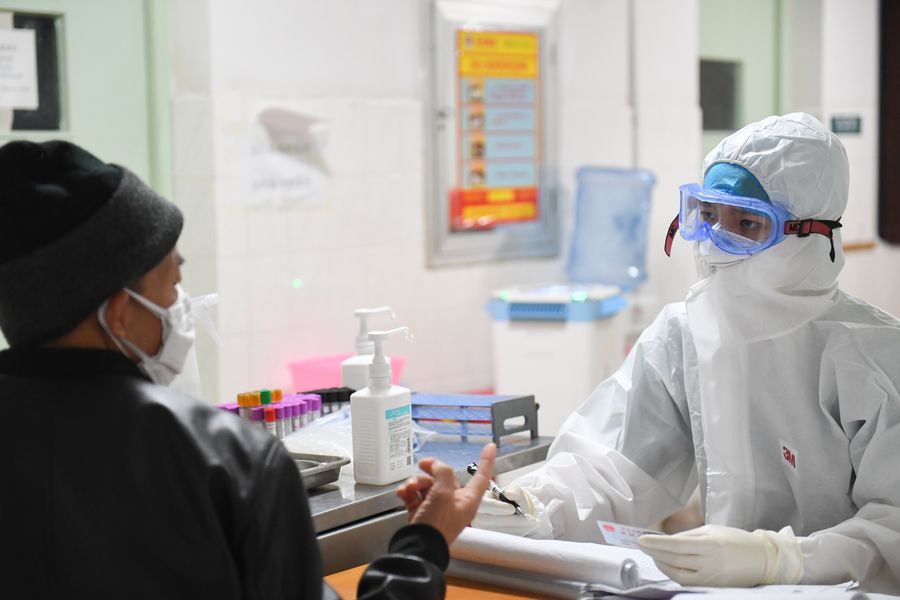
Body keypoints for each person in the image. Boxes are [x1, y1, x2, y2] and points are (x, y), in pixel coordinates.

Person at [0, 140, 494, 599]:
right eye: (172, 284)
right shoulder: (226, 461)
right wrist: (424, 544)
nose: (181, 306)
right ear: (119, 315)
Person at [472, 113, 900, 593]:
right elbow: (616, 466)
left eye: (747, 223)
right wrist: (530, 506)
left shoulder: (875, 356)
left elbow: (894, 527)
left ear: (810, 234)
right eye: (709, 217)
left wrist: (784, 560)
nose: (716, 246)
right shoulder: (685, 334)